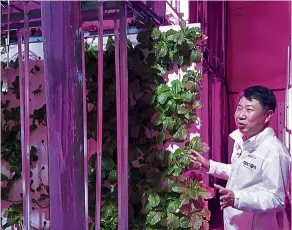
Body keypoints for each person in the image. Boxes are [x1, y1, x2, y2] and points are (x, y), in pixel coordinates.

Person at [189, 85, 291, 230]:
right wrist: (210, 165)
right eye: (239, 108)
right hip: (235, 222)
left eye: (249, 110)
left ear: (267, 115)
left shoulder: (274, 152)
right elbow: (241, 172)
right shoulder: (242, 140)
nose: (241, 115)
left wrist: (236, 198)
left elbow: (276, 199)